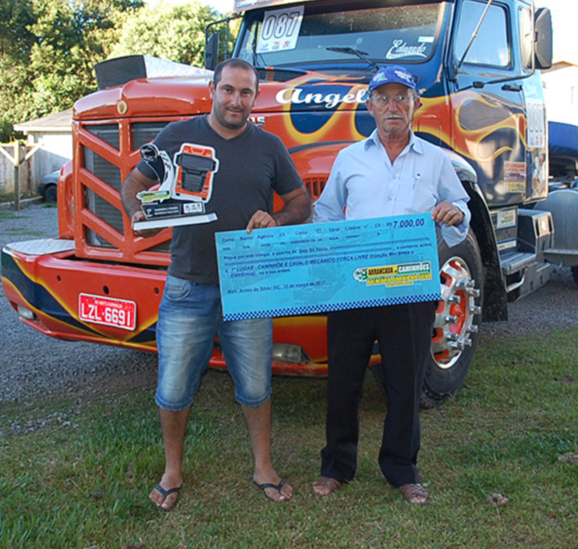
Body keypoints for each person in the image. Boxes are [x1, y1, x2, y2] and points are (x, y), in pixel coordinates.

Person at [121, 58, 311, 510]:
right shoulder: (175, 137)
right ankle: (172, 470)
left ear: (255, 97)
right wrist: (138, 213)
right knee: (172, 388)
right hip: (189, 283)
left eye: (245, 93)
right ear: (212, 89)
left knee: (255, 384)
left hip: (248, 285)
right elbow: (132, 184)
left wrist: (277, 216)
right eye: (228, 90)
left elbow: (301, 202)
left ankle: (263, 466)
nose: (236, 100)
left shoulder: (269, 146)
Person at [310, 66, 470, 505]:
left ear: (417, 105)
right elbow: (325, 213)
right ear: (370, 106)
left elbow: (460, 204)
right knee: (343, 378)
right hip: (353, 289)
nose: (393, 106)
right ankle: (337, 466)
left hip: (409, 288)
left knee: (405, 380)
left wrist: (455, 214)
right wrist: (330, 255)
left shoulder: (436, 159)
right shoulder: (349, 158)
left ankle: (402, 468)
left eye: (402, 97)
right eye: (383, 98)